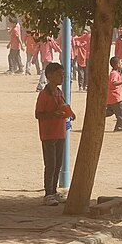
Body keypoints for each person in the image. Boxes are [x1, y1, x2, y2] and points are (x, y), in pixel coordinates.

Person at [35, 62, 74, 206]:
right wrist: (53, 114)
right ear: (50, 76)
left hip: (60, 132)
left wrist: (70, 114)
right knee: (50, 164)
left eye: (63, 74)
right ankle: (48, 193)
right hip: (48, 134)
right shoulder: (44, 94)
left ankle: (54, 190)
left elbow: (63, 106)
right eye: (59, 74)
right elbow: (38, 114)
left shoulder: (59, 92)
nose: (62, 77)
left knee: (58, 164)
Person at [106, 58, 122, 131]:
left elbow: (115, 85)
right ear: (116, 65)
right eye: (120, 63)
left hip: (111, 96)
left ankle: (97, 116)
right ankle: (119, 127)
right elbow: (113, 83)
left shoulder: (115, 73)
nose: (121, 64)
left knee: (110, 112)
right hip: (115, 97)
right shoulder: (114, 73)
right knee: (121, 113)